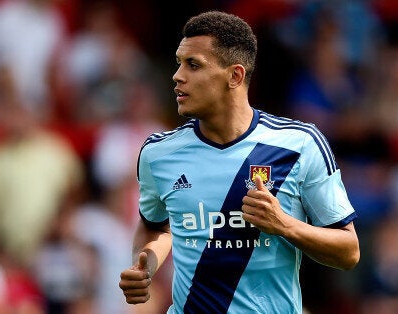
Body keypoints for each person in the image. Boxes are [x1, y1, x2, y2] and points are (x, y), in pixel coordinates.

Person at [118, 10, 360, 313]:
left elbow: (348, 252)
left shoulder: (299, 144)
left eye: (193, 65)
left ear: (235, 75)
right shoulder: (159, 153)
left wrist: (284, 225)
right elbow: (156, 227)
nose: (177, 75)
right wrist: (145, 266)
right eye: (179, 62)